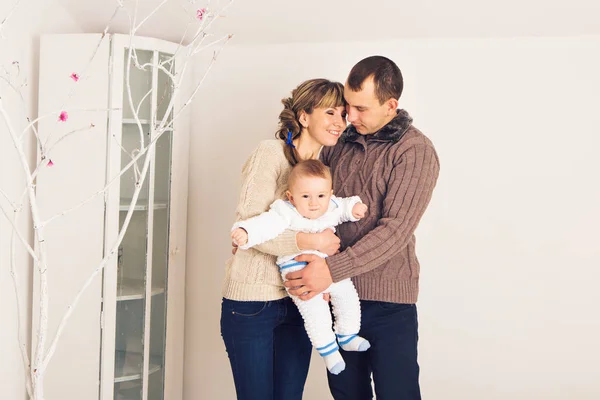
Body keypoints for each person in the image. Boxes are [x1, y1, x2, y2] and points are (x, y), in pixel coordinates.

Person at [284, 56, 440, 399]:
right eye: (346, 106)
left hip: (388, 303)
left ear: (391, 105)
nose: (349, 117)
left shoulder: (415, 150)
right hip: (337, 299)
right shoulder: (339, 142)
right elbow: (311, 202)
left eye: (360, 109)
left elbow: (395, 230)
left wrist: (330, 270)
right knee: (347, 394)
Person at [220, 78, 347, 400]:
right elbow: (248, 229)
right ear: (304, 117)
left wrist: (325, 278)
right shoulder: (270, 153)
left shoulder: (322, 170)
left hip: (298, 301)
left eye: (343, 114)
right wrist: (310, 242)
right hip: (253, 303)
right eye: (330, 112)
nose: (339, 122)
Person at [231, 159, 370, 375]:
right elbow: (265, 225)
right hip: (297, 269)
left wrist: (354, 208)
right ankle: (329, 351)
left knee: (347, 294)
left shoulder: (330, 205)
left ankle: (347, 334)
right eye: (305, 196)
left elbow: (343, 207)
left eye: (321, 196)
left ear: (329, 193)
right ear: (291, 197)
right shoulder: (285, 212)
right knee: (315, 311)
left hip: (328, 265)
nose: (314, 203)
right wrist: (246, 232)